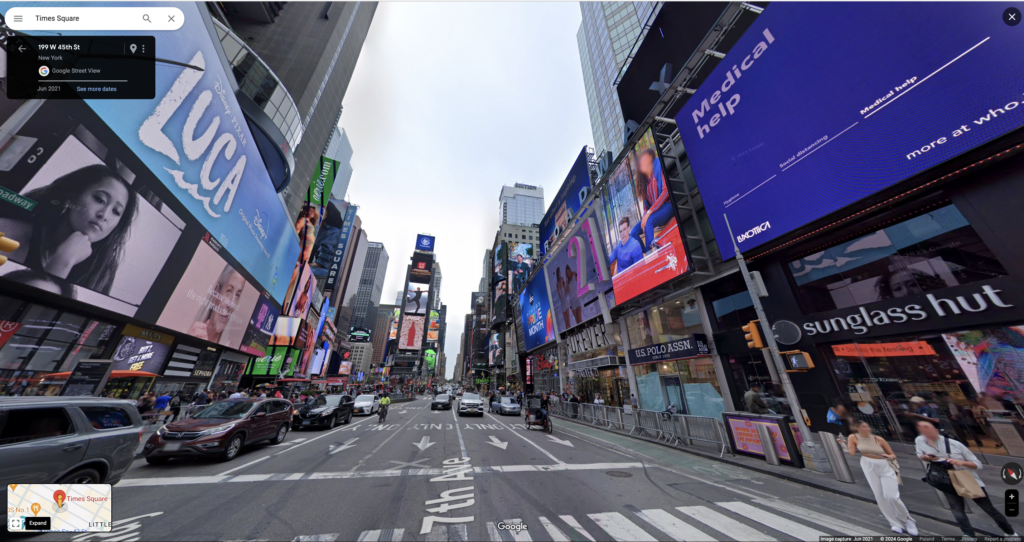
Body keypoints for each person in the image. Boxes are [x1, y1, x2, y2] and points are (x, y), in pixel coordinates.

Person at [0, 164, 139, 295]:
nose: (104, 215)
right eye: (100, 200)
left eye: (116, 211)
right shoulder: (7, 232)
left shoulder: (101, 268)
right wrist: (63, 261)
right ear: (71, 198)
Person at [915, 420, 1018, 537]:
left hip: (966, 478)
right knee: (957, 509)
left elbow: (977, 464)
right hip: (945, 480)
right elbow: (920, 454)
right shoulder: (919, 440)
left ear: (936, 431)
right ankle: (968, 534)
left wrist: (961, 462)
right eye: (923, 432)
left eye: (928, 430)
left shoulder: (955, 444)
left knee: (988, 508)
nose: (926, 435)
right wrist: (927, 457)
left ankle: (1010, 533)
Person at [847, 420, 917, 534]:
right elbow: (851, 452)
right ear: (857, 428)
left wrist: (889, 456)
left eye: (867, 426)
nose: (867, 428)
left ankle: (908, 519)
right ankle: (894, 523)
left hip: (885, 465)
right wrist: (843, 445)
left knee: (892, 496)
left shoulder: (878, 439)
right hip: (867, 464)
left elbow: (893, 455)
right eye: (863, 427)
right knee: (879, 495)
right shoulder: (853, 437)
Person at [188, 264, 245, 345]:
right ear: (216, 292)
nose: (231, 304)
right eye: (229, 291)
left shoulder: (228, 347)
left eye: (237, 295)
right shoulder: (192, 332)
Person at [631, 148, 674, 253]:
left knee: (649, 221)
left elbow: (666, 191)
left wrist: (648, 214)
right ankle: (645, 254)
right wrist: (644, 219)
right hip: (654, 213)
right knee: (633, 233)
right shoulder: (644, 182)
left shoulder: (658, 166)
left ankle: (651, 256)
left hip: (668, 206)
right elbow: (646, 207)